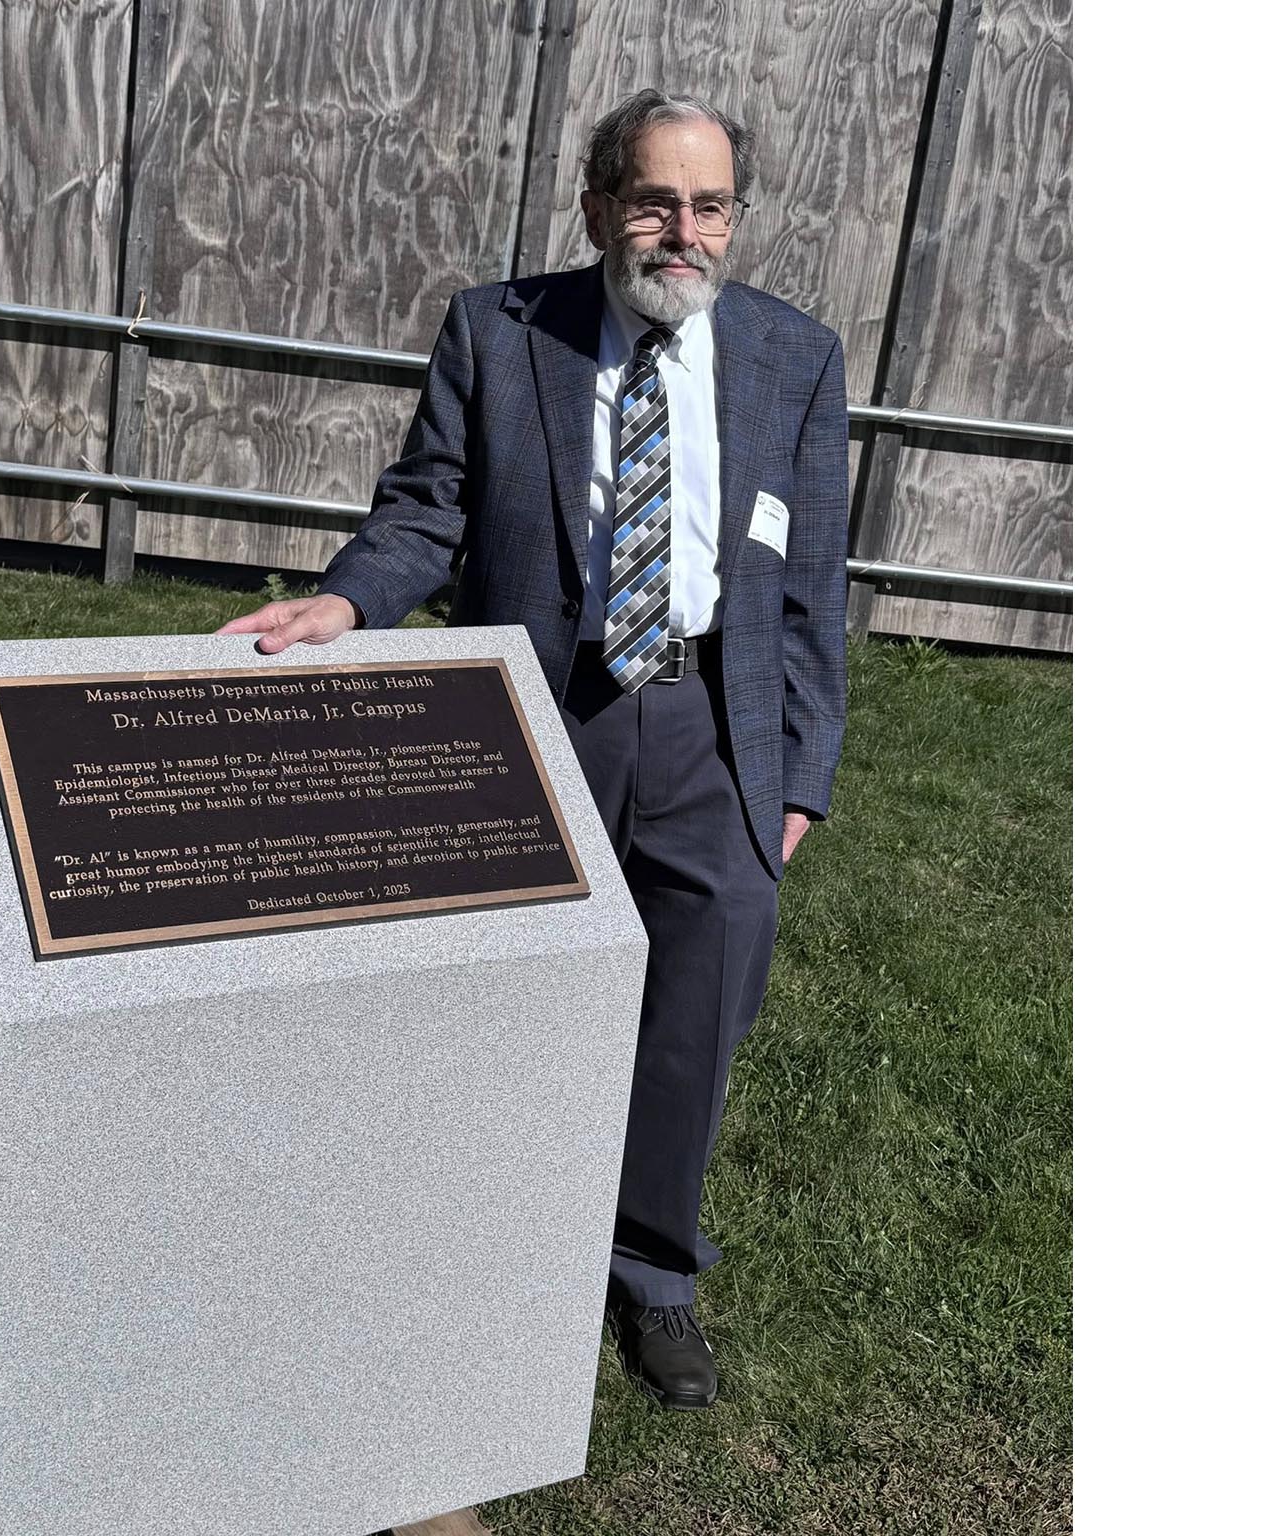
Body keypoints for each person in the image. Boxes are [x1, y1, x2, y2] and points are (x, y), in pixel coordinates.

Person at [218, 88, 848, 1411]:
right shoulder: (498, 330)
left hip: (716, 731)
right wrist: (346, 603)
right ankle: (469, 1242)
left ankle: (653, 1271)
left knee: (695, 1013)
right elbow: (428, 509)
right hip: (534, 714)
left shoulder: (794, 355)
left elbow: (811, 587)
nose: (685, 232)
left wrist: (800, 776)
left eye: (711, 206)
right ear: (600, 205)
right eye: (656, 202)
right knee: (493, 997)